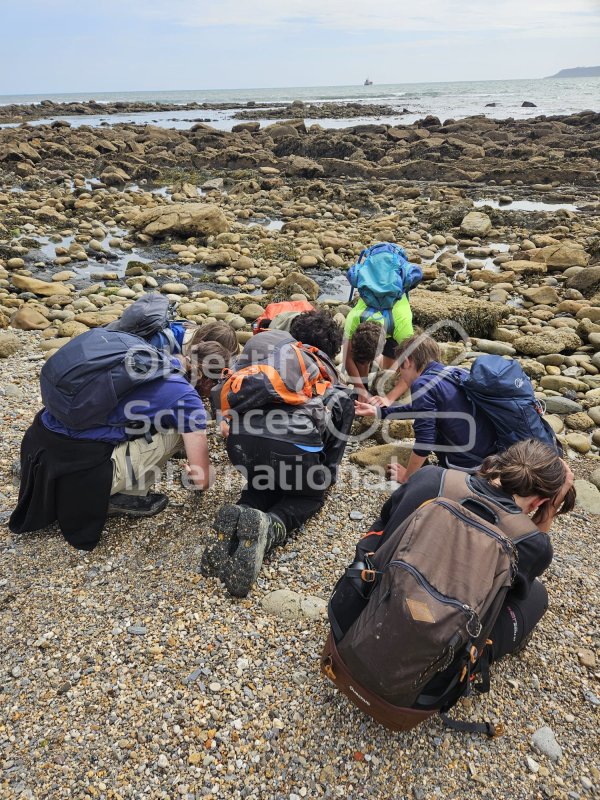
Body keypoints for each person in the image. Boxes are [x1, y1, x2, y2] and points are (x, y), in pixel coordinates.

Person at [354, 439, 576, 663]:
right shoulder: (532, 544)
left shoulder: (432, 477)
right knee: (536, 595)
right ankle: (466, 664)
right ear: (539, 502)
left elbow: (387, 518)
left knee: (385, 526)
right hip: (433, 663)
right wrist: (546, 517)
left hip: (365, 614)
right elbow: (511, 595)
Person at [9, 341, 227, 551]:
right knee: (177, 433)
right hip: (81, 475)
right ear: (209, 381)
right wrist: (200, 471)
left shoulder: (155, 359)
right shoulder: (187, 398)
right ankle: (127, 494)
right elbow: (202, 481)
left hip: (37, 449)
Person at [201, 314, 354, 597]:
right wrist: (321, 479)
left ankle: (242, 513)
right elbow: (331, 460)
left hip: (241, 445)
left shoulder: (267, 360)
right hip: (291, 447)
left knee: (263, 483)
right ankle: (271, 528)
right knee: (307, 496)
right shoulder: (329, 378)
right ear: (331, 351)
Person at [354, 333, 497, 481]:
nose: (401, 376)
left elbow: (425, 441)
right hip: (491, 456)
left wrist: (407, 477)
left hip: (468, 465)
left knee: (426, 429)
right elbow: (421, 409)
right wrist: (378, 412)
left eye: (400, 369)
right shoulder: (453, 372)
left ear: (408, 362)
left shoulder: (422, 384)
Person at [343, 295, 413, 403]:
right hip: (383, 317)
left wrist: (389, 399)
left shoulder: (403, 329)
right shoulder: (353, 319)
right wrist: (360, 388)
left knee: (390, 372)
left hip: (395, 316)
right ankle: (365, 387)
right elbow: (347, 358)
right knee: (362, 360)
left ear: (384, 343)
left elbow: (415, 368)